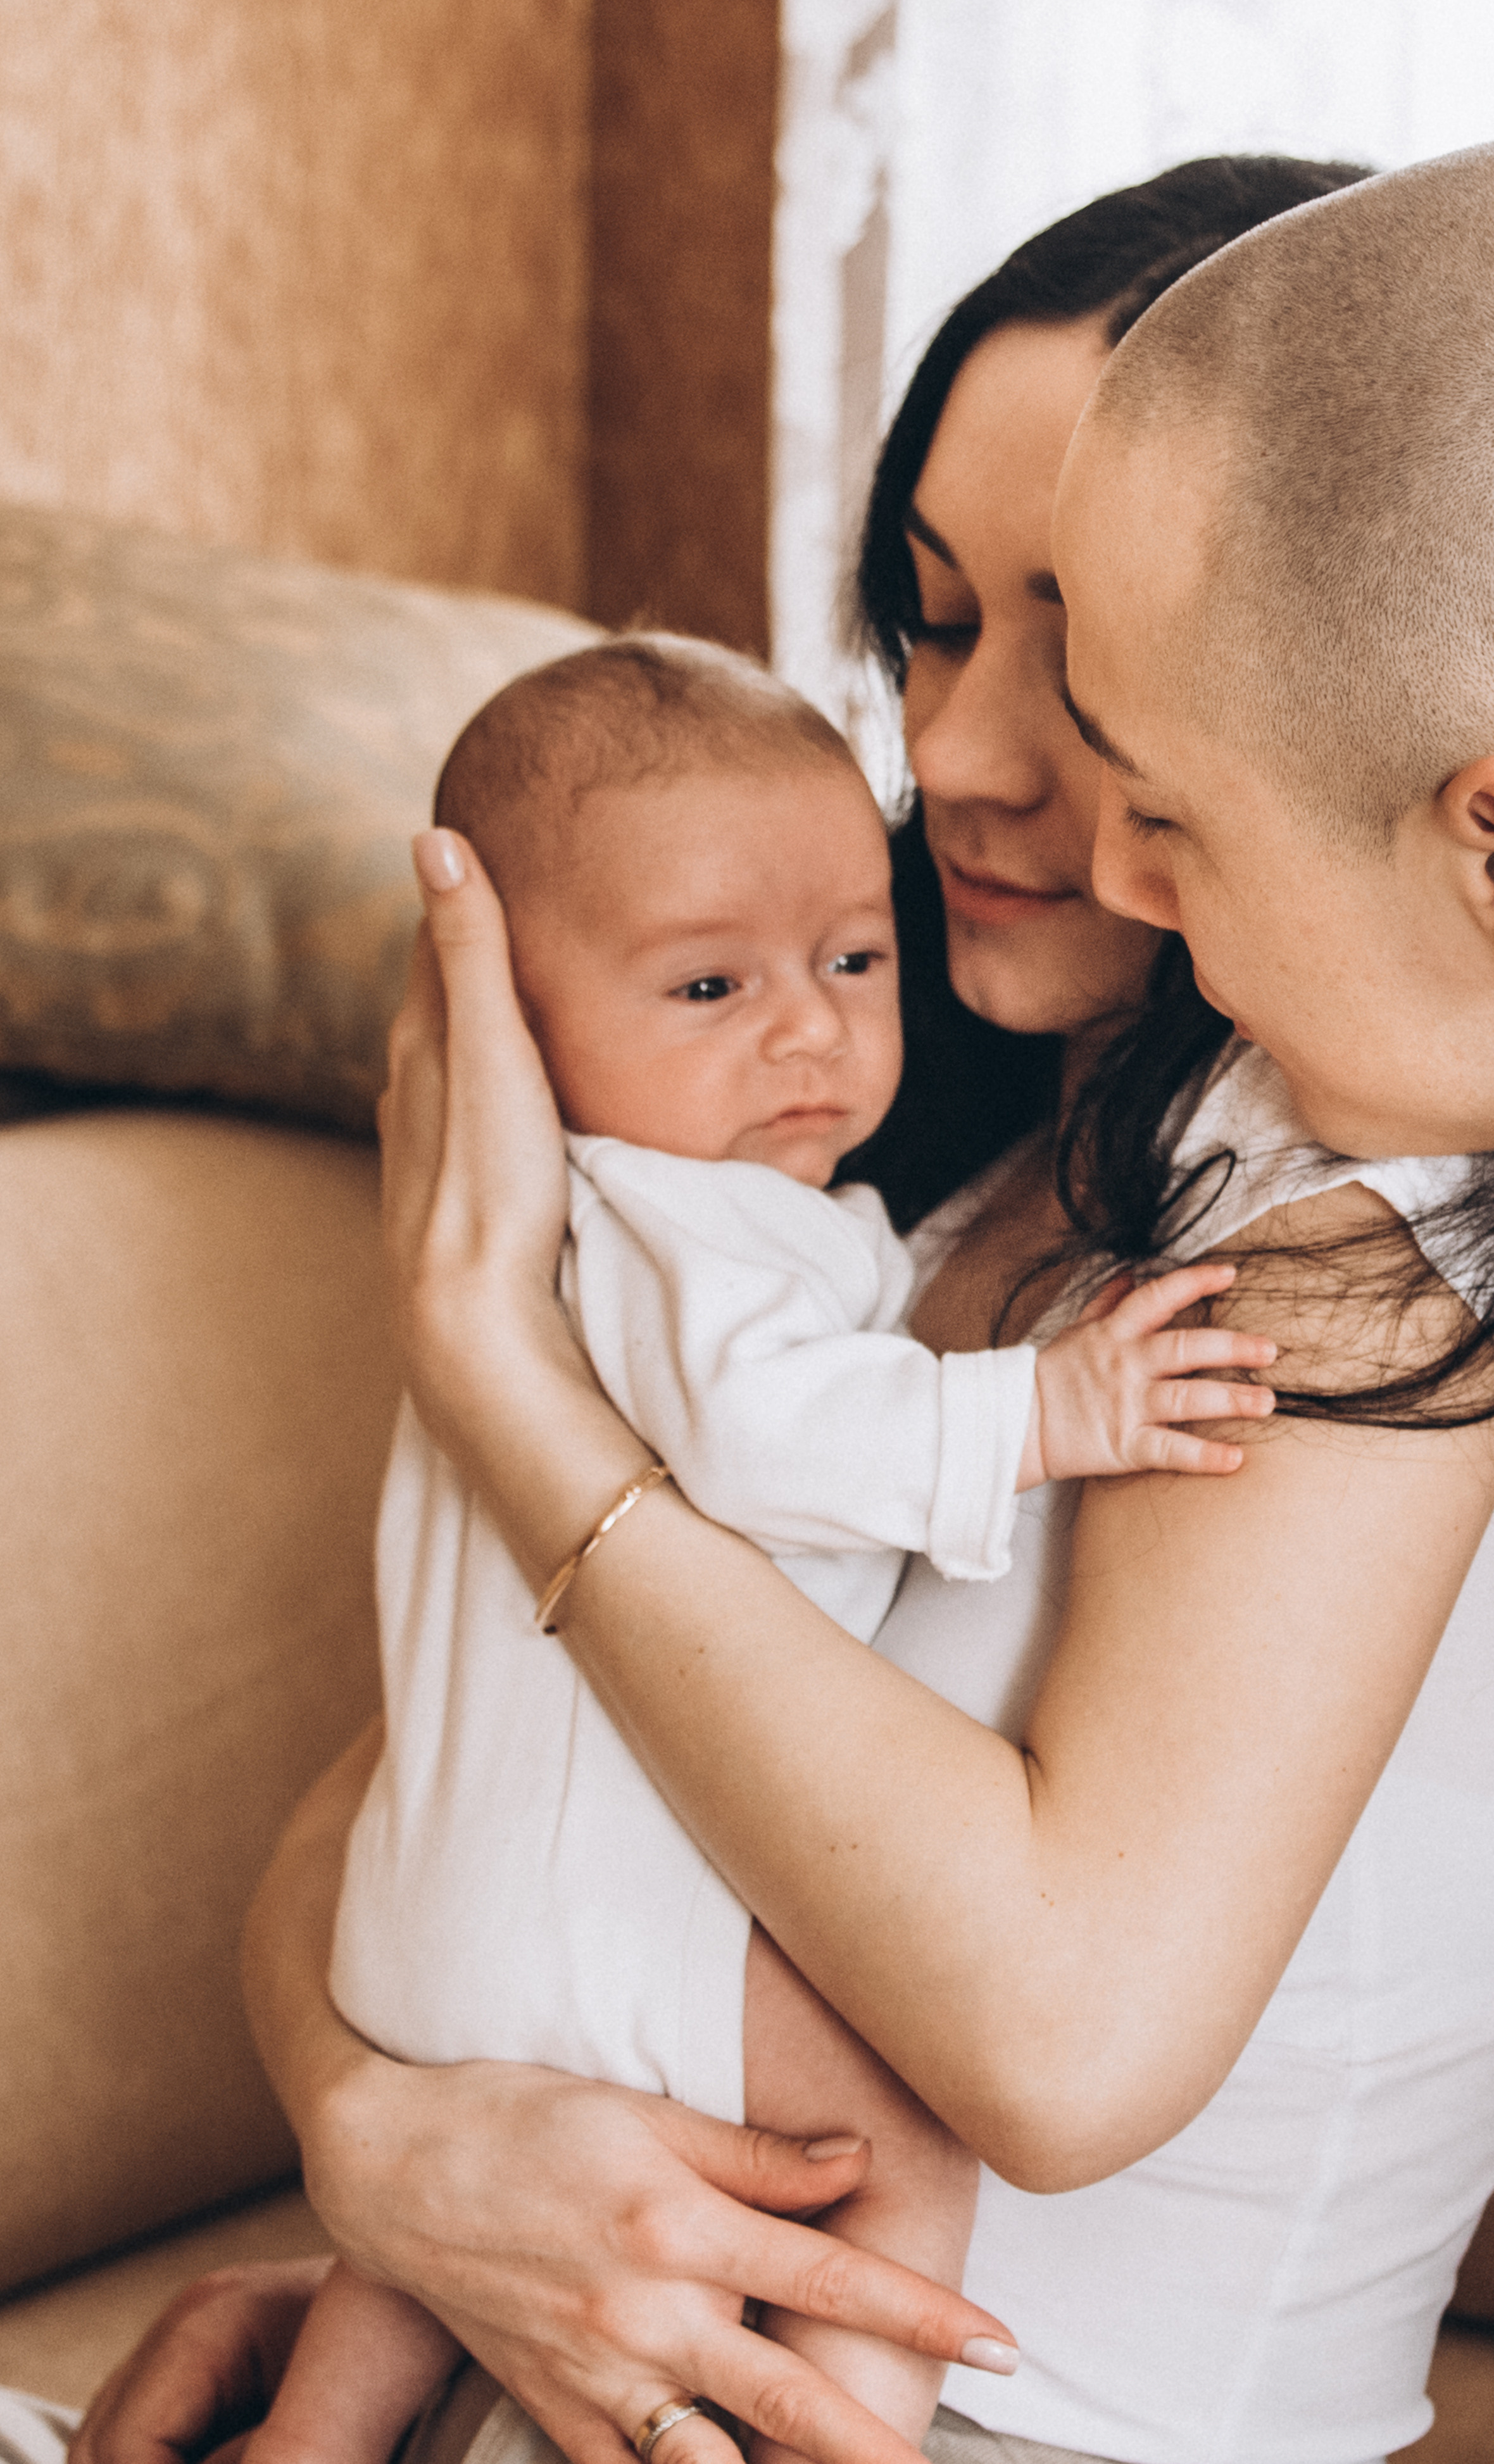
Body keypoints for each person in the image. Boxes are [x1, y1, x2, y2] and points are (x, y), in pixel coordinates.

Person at [76, 146, 1488, 2464]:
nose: (955, 751)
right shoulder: (895, 1168)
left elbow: (1052, 2039)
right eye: (931, 619)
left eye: (1085, 640)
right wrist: (407, 2160)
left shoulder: (1369, 1238)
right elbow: (423, 1792)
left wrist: (506, 1385)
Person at [249, 633, 1274, 2464]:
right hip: (594, 1916)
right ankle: (845, 2430)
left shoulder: (595, 1229)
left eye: (852, 958)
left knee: (393, 2284)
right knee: (891, 2135)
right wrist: (1048, 1415)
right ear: (508, 1017)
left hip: (432, 1930)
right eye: (710, 983)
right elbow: (768, 1429)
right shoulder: (686, 1227)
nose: (807, 1027)